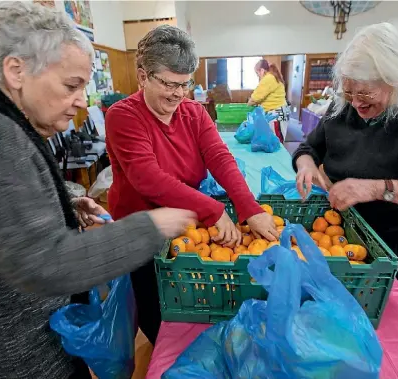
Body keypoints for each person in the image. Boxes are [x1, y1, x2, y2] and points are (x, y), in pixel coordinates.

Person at [0, 3, 196, 379]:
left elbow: (13, 197)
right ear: (16, 71)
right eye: (70, 85)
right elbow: (47, 264)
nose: (82, 101)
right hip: (17, 356)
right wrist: (152, 227)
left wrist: (63, 199)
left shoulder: (8, 123)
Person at [105, 25, 278, 345]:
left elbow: (220, 158)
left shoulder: (194, 113)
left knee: (193, 299)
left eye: (185, 84)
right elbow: (147, 178)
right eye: (169, 84)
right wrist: (213, 210)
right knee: (155, 310)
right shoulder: (123, 116)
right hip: (141, 227)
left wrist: (249, 208)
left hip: (186, 222)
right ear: (143, 77)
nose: (177, 94)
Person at [292, 22, 398, 299]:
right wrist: (307, 166)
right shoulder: (343, 109)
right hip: (339, 238)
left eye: (366, 95)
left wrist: (377, 188)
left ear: (394, 82)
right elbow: (307, 148)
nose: (357, 104)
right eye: (350, 94)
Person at [248, 59, 290, 142]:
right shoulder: (273, 77)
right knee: (276, 139)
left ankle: (278, 155)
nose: (258, 76)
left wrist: (250, 102)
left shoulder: (268, 79)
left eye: (257, 73)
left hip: (276, 115)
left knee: (276, 141)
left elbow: (254, 98)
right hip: (280, 112)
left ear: (262, 70)